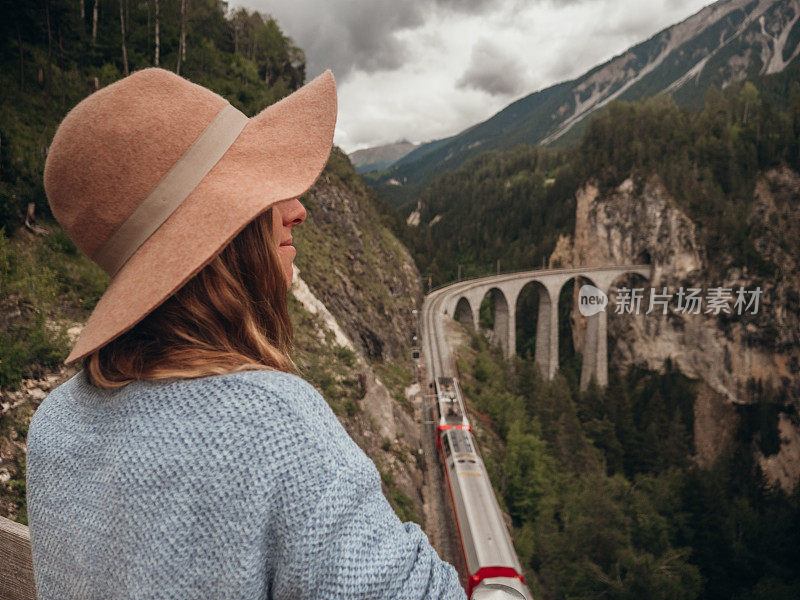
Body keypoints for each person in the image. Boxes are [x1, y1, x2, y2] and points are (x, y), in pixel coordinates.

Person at [25, 67, 466, 600]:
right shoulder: (273, 424)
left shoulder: (55, 425)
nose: (297, 210)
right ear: (222, 236)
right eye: (261, 188)